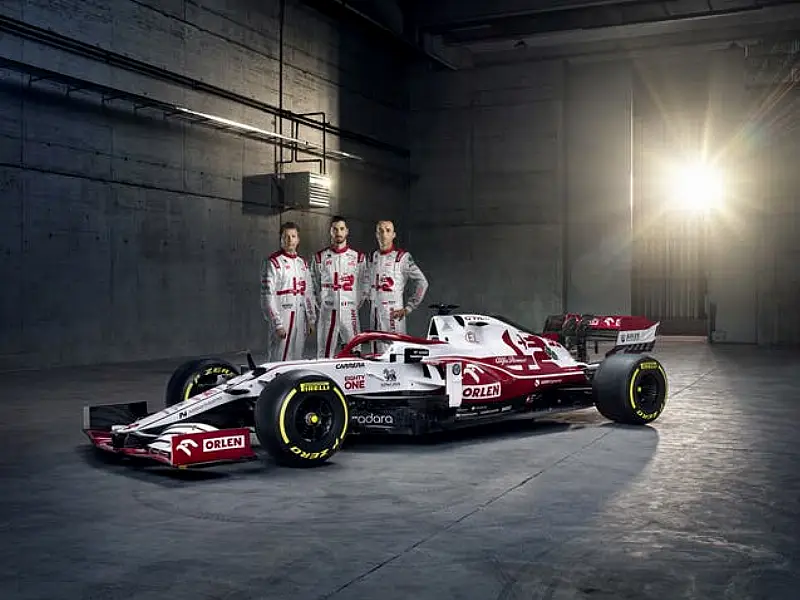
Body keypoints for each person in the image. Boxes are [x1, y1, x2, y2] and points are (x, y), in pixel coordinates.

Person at [312, 215, 369, 358]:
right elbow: (313, 284)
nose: (338, 232)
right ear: (330, 232)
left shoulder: (358, 258)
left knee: (354, 352)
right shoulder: (320, 257)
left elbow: (364, 284)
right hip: (327, 311)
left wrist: (353, 304)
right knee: (324, 354)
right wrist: (323, 303)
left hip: (349, 311)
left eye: (342, 229)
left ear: (347, 231)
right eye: (335, 229)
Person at [367, 219, 429, 350]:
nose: (384, 234)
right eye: (381, 231)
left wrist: (409, 308)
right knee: (374, 355)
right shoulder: (373, 257)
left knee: (395, 353)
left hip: (393, 313)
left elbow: (422, 282)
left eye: (388, 231)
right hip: (375, 313)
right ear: (376, 234)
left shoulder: (403, 257)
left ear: (394, 235)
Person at [260, 222, 316, 362]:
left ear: (298, 239)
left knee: (297, 358)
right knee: (278, 359)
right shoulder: (273, 262)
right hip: (283, 316)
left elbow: (308, 292)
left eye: (293, 236)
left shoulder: (302, 263)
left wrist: (311, 318)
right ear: (281, 239)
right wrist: (277, 323)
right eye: (286, 236)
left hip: (300, 318)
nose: (290, 240)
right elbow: (267, 296)